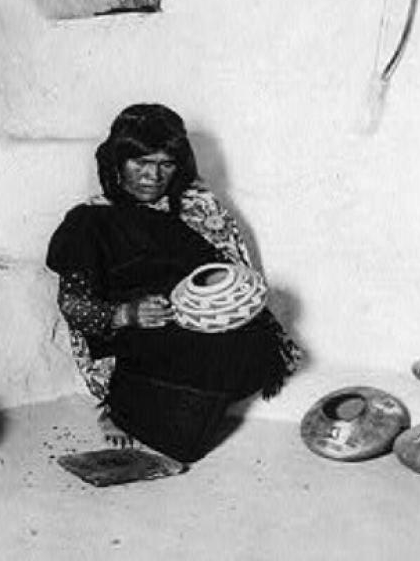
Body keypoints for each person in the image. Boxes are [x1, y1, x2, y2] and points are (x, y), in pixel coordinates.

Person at [46, 103, 302, 462]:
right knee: (195, 351)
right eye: (141, 163)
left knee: (253, 337)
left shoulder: (197, 206)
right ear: (117, 163)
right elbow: (73, 304)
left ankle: (176, 415)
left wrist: (214, 302)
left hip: (192, 319)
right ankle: (124, 412)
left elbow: (233, 270)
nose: (153, 175)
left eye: (165, 164)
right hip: (132, 330)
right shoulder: (90, 221)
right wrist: (127, 314)